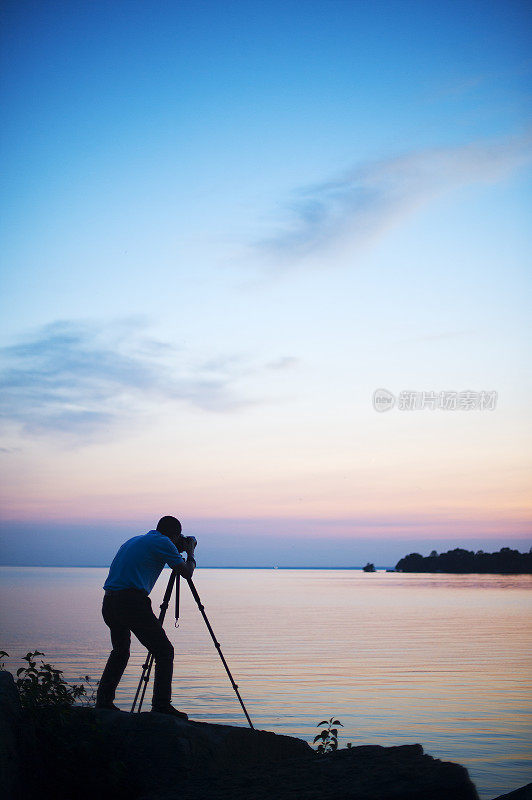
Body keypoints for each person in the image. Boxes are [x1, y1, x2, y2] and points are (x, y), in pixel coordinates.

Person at [96, 515, 196, 718]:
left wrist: (177, 548)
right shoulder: (163, 542)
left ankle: (103, 703)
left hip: (110, 601)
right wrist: (191, 552)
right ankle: (161, 705)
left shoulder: (134, 540)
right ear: (174, 535)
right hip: (132, 601)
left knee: (120, 651)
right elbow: (185, 572)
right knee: (164, 651)